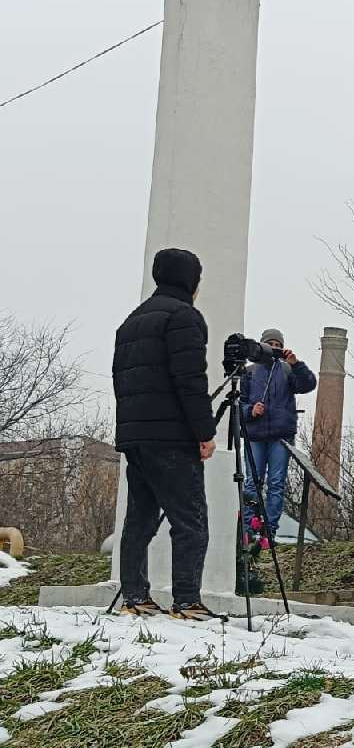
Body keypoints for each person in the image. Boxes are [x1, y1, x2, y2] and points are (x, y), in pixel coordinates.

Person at [112, 248, 219, 620]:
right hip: (172, 437)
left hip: (136, 436)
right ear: (191, 280)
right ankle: (187, 600)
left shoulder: (132, 321)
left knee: (139, 520)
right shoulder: (184, 318)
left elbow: (122, 380)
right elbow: (190, 381)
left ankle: (135, 596)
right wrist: (204, 432)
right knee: (191, 521)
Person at [238, 328, 317, 540]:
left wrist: (296, 364)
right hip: (255, 436)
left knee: (276, 483)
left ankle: (269, 530)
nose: (274, 348)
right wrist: (250, 411)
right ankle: (248, 529)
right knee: (252, 484)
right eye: (270, 344)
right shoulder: (249, 372)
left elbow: (309, 384)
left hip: (280, 437)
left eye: (277, 344)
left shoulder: (287, 370)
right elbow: (238, 404)